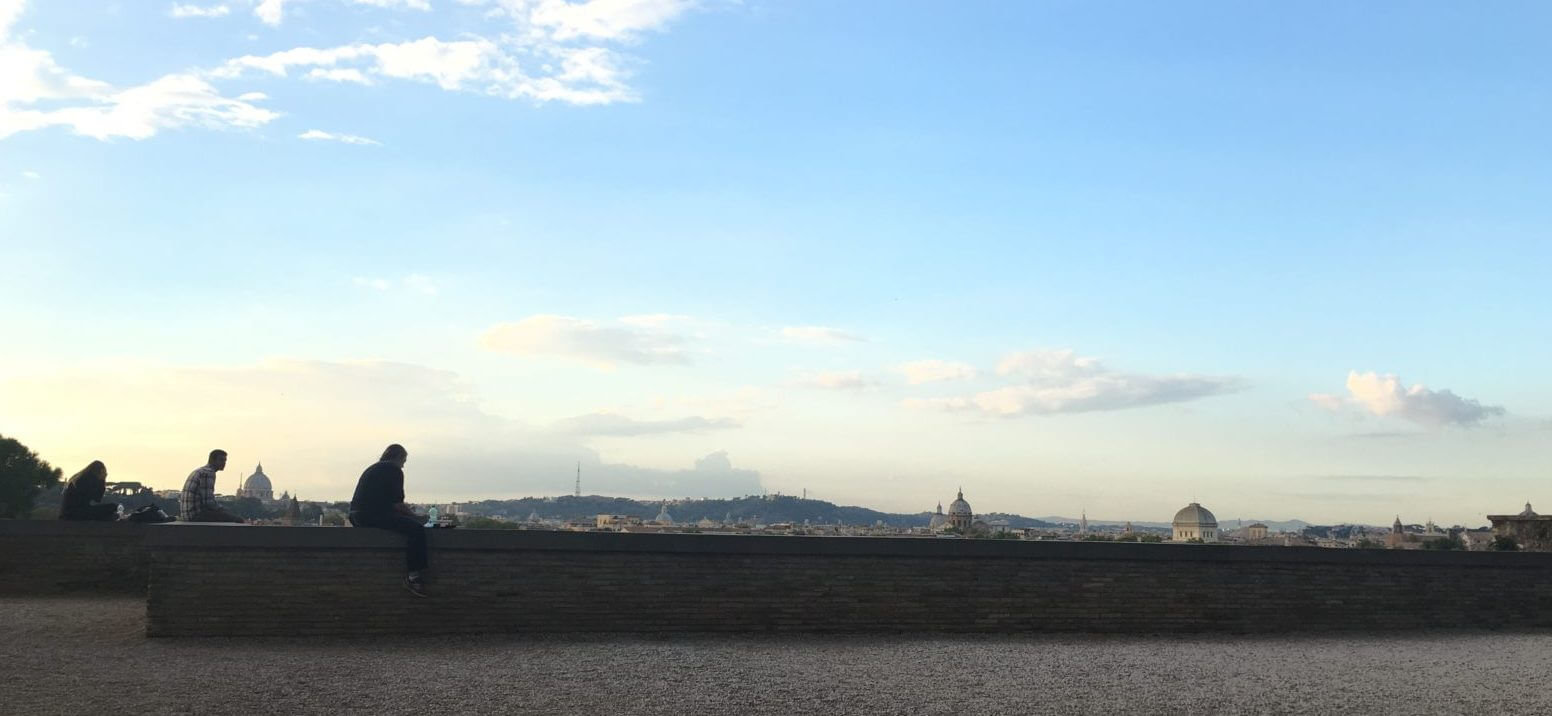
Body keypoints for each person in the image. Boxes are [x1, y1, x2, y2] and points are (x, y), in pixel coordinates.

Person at [349, 444, 429, 597]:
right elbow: (397, 504)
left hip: (357, 515)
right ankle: (413, 577)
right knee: (416, 530)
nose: (403, 465)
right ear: (398, 458)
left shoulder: (373, 468)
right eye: (404, 461)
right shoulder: (394, 470)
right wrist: (417, 518)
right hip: (371, 515)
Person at [179, 449, 244, 523]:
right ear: (212, 460)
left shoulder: (201, 470)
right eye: (221, 460)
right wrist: (225, 510)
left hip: (188, 515)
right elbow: (208, 502)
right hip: (196, 515)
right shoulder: (208, 473)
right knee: (237, 519)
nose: (224, 463)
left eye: (225, 460)